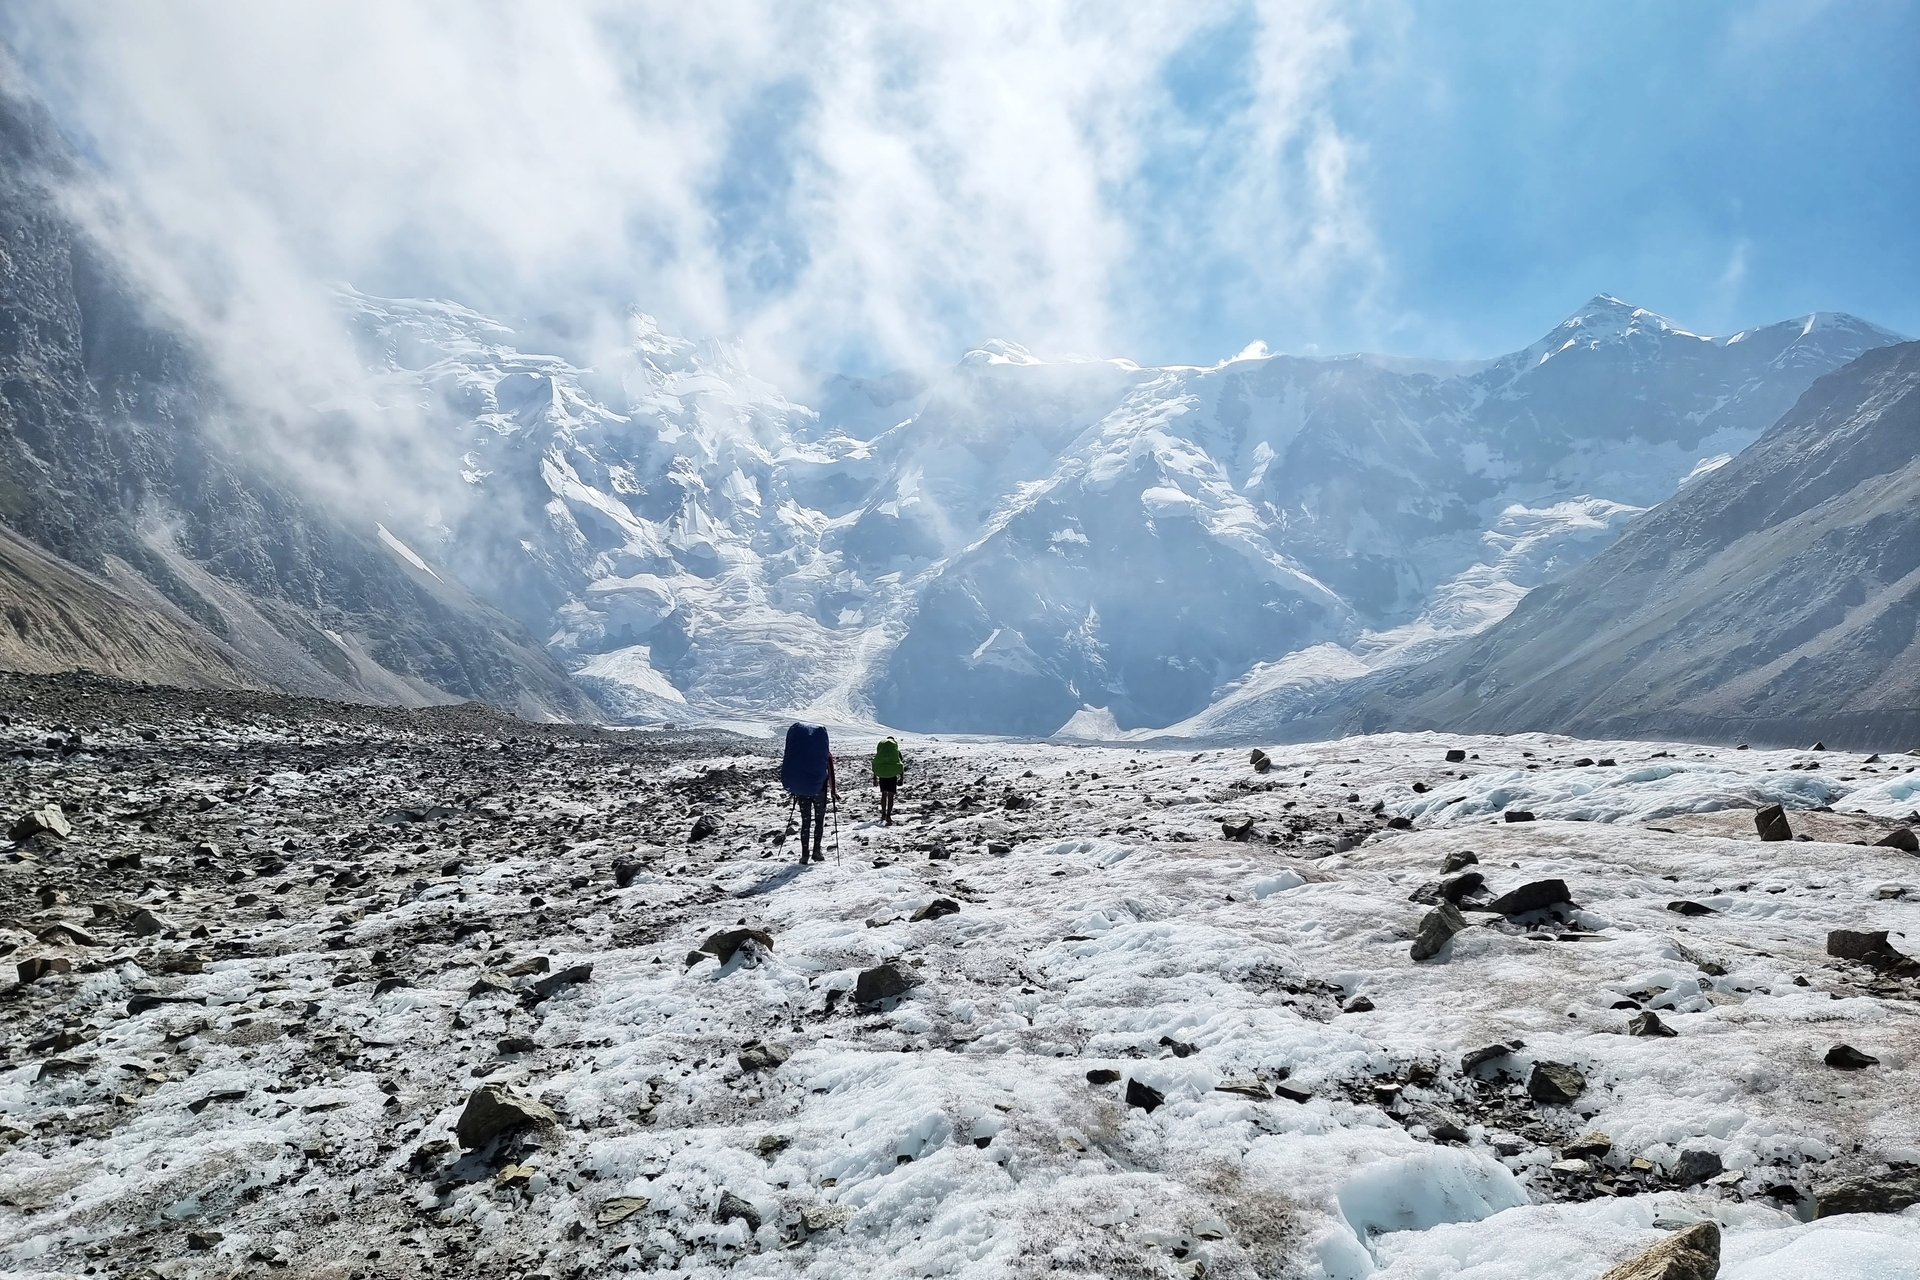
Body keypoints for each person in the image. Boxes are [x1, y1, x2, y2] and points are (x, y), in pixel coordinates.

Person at [779, 722, 838, 863]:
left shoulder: (800, 753)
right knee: (819, 821)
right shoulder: (825, 753)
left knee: (805, 822)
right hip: (820, 790)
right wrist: (833, 791)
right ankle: (816, 852)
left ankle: (804, 854)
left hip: (803, 790)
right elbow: (831, 772)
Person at [871, 736, 905, 825]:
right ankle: (888, 816)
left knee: (883, 794)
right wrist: (901, 778)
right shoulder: (896, 752)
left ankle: (883, 814)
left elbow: (876, 764)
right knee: (890, 796)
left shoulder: (881, 752)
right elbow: (900, 765)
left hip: (882, 775)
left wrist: (875, 778)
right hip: (892, 776)